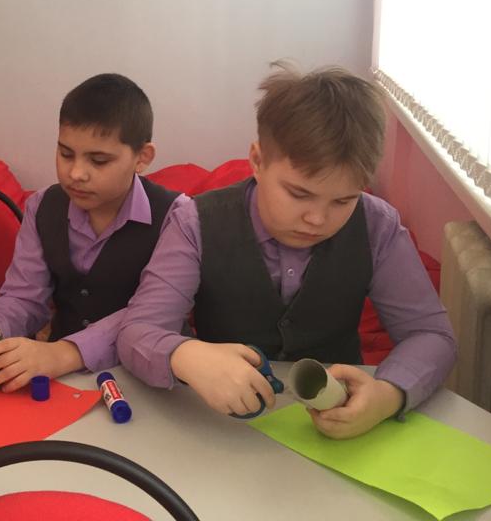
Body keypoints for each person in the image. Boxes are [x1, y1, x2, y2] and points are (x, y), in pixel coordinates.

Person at [117, 63, 457, 438]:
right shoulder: (195, 220)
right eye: (298, 194)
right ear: (257, 161)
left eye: (343, 200)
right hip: (224, 426)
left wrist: (388, 394)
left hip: (339, 430)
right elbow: (138, 331)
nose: (316, 219)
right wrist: (184, 355)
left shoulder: (377, 224)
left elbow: (431, 335)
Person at [0, 73, 187, 392]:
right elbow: (24, 298)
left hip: (148, 381)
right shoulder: (43, 206)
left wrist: (64, 353)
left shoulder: (177, 216)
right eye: (66, 154)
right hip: (62, 380)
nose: (76, 173)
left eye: (98, 161)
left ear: (142, 157)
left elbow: (154, 316)